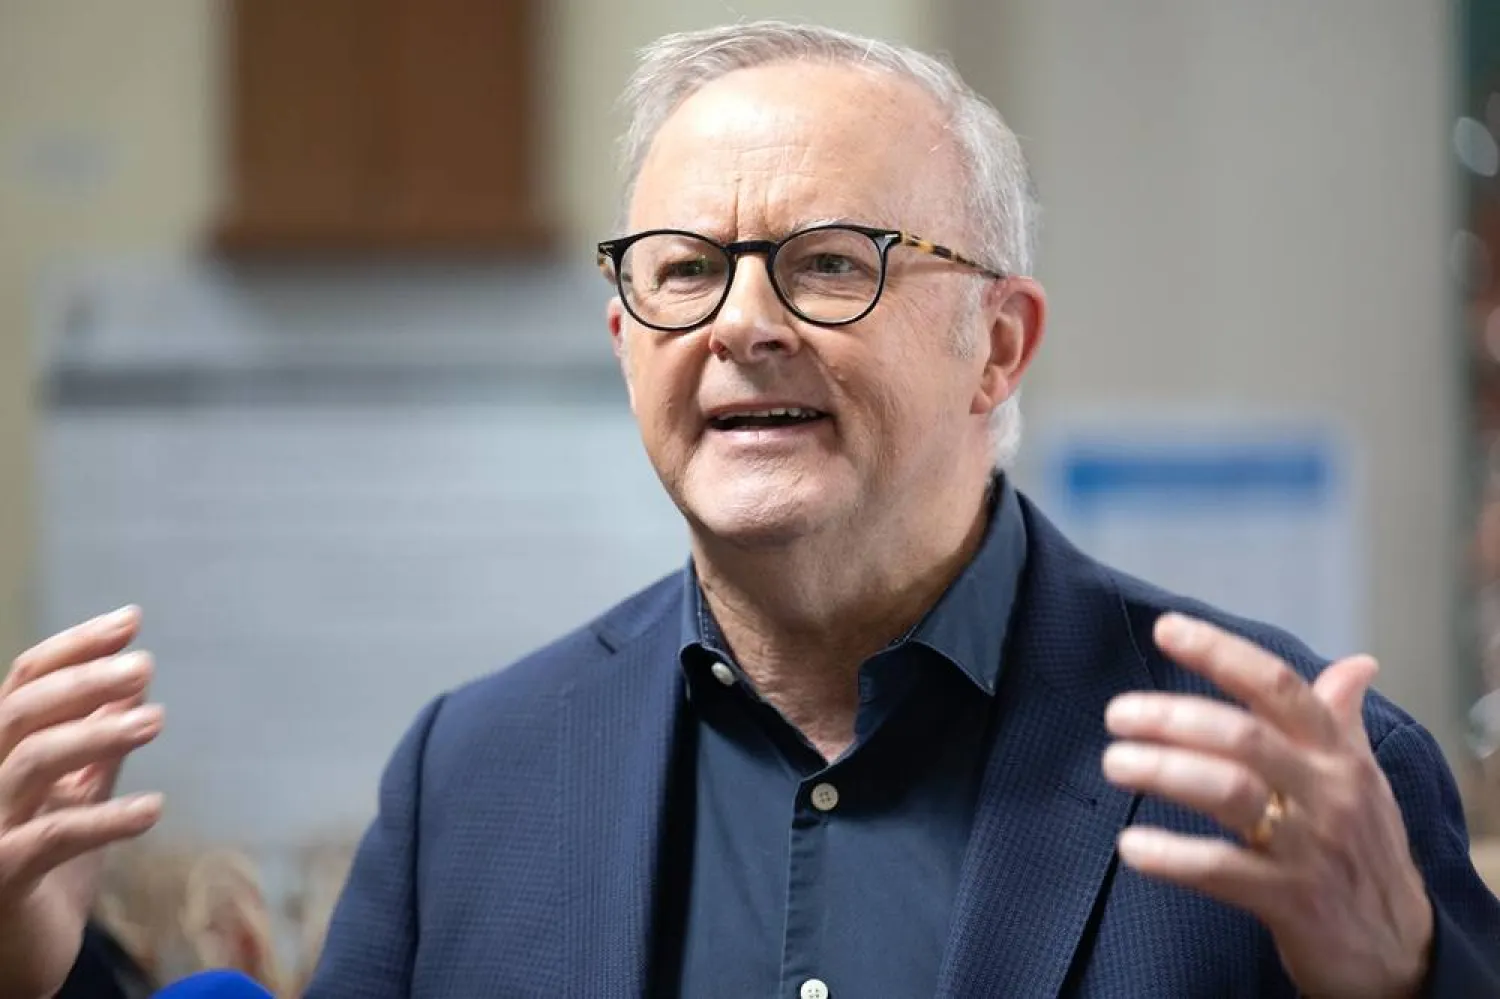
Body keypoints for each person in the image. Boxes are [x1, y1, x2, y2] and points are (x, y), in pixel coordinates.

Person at [3, 19, 1498, 999]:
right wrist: (41, 961)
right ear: (625, 343)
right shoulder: (476, 776)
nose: (742, 324)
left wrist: (1402, 980)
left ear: (998, 345)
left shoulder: (1295, 773)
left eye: (831, 261)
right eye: (683, 270)